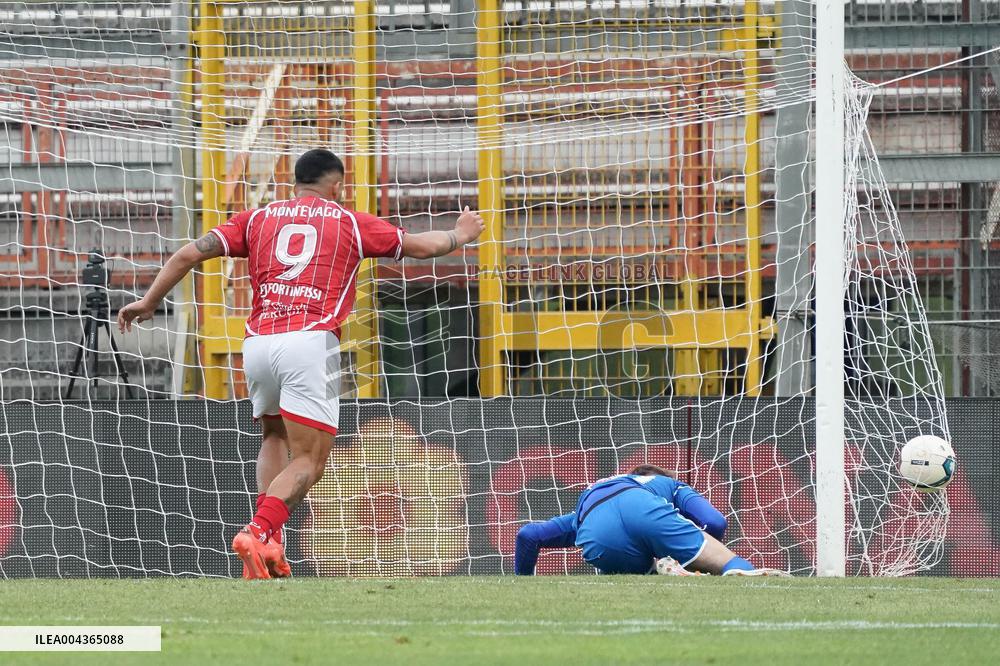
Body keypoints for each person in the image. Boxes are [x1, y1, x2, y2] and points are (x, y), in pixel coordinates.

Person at [119, 148, 485, 579]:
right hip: (312, 343)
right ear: (338, 185)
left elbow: (187, 255)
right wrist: (461, 233)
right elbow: (424, 248)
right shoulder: (349, 220)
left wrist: (148, 301)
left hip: (257, 343)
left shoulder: (256, 219)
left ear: (293, 182)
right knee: (311, 460)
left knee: (274, 433)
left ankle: (271, 543)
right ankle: (258, 531)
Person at [514, 464, 788, 576]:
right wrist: (710, 555)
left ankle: (662, 569)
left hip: (595, 533)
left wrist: (523, 588)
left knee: (643, 566)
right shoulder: (669, 484)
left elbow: (528, 536)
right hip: (645, 511)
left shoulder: (585, 509)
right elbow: (715, 522)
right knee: (727, 563)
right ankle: (735, 572)